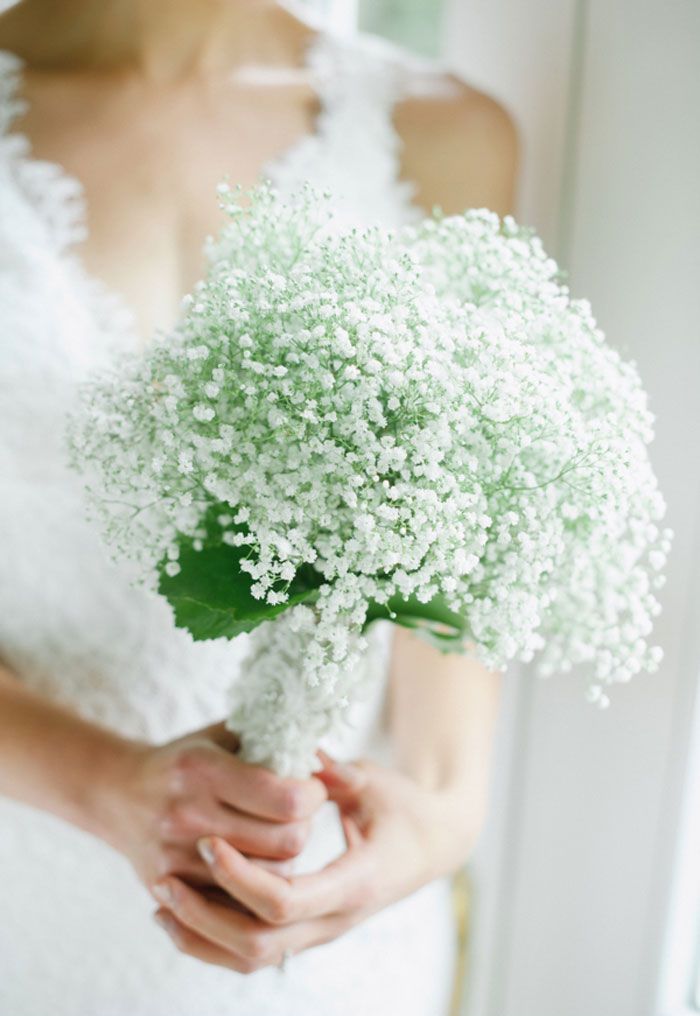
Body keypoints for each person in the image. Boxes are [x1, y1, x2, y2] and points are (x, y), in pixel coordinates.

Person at [0, 2, 517, 1014]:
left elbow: (455, 559)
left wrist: (435, 821)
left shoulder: (445, 134)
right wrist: (110, 784)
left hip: (331, 928)